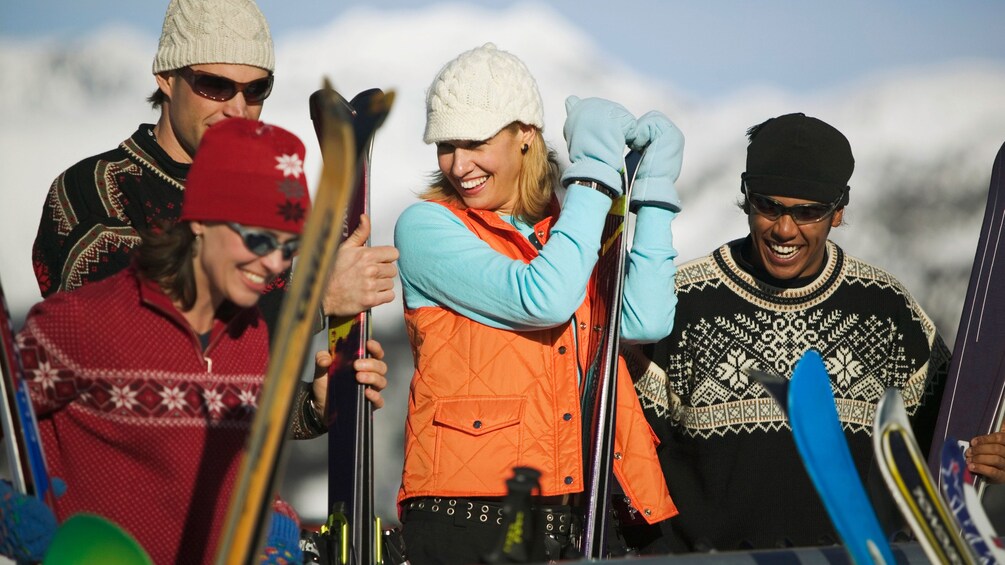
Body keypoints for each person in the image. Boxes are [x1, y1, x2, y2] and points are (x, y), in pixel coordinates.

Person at [16, 118, 389, 564]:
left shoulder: (249, 337)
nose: (273, 262)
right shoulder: (83, 323)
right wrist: (22, 524)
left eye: (288, 246)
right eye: (256, 237)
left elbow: (233, 485)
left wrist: (277, 536)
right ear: (200, 222)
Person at [393, 43, 684, 564]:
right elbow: (543, 299)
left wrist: (655, 194)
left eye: (474, 141)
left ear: (524, 135)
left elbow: (642, 319)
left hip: (578, 511)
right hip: (468, 517)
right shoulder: (428, 227)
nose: (458, 165)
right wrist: (595, 174)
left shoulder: (561, 234)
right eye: (444, 145)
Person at [630, 112, 950, 552]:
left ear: (839, 211)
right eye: (769, 206)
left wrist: (984, 449)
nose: (784, 229)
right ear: (746, 196)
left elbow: (949, 436)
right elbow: (630, 462)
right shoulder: (680, 304)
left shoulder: (886, 308)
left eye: (808, 213)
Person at [30, 0, 399, 336]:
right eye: (215, 85)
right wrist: (314, 301)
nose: (238, 109)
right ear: (166, 78)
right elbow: (134, 337)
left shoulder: (262, 201)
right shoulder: (96, 188)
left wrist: (312, 407)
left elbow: (239, 389)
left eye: (256, 89)